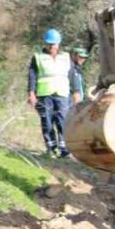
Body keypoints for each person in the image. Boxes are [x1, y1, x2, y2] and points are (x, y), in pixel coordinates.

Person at [27, 29, 72, 158]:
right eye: (49, 44)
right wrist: (31, 93)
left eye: (54, 44)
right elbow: (32, 76)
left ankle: (65, 149)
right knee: (47, 122)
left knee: (63, 121)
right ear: (45, 43)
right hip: (44, 94)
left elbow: (72, 76)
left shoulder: (66, 57)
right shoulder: (38, 57)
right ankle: (51, 148)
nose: (51, 46)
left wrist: (76, 92)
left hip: (62, 94)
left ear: (59, 44)